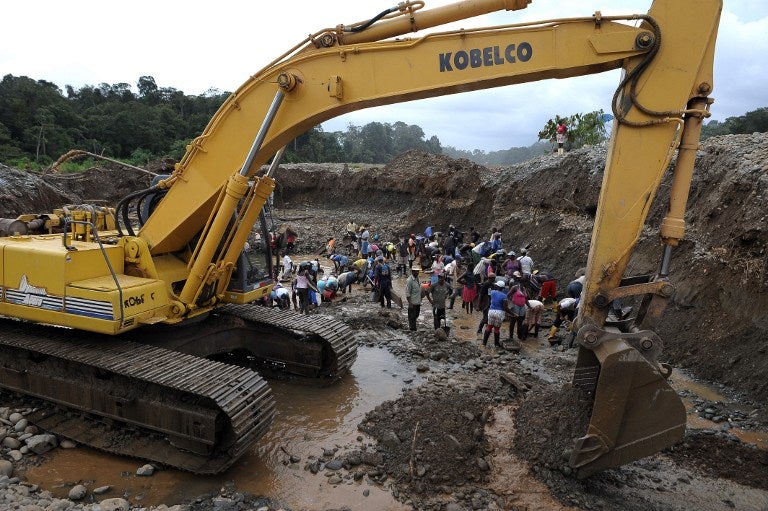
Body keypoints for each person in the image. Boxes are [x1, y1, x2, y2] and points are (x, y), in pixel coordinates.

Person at [482, 281, 507, 349]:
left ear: (497, 286)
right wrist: (511, 313)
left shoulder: (492, 292)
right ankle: (496, 344)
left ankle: (484, 343)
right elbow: (505, 307)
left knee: (489, 327)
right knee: (496, 329)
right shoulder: (504, 296)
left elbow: (488, 290)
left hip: (491, 311)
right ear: (503, 288)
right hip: (499, 313)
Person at [405, 265, 424, 331]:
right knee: (412, 317)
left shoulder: (417, 278)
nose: (417, 273)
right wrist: (410, 303)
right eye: (416, 272)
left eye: (418, 271)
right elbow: (407, 293)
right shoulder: (409, 281)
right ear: (412, 272)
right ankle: (413, 329)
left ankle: (412, 327)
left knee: (416, 315)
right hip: (412, 302)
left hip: (417, 301)